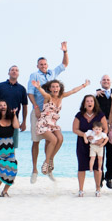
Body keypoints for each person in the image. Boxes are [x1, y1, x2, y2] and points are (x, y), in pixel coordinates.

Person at [27, 43, 70, 184]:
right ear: (37, 66)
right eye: (41, 64)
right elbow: (30, 92)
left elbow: (65, 64)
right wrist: (36, 107)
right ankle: (34, 170)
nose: (43, 66)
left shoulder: (52, 73)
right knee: (35, 141)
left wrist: (65, 51)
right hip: (38, 112)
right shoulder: (34, 75)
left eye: (45, 64)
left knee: (51, 140)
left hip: (50, 116)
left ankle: (48, 167)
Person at [33, 77, 90, 180]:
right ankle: (46, 162)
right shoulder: (48, 97)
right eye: (53, 87)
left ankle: (51, 158)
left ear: (60, 88)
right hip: (44, 123)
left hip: (53, 123)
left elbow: (73, 91)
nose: (55, 88)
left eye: (57, 86)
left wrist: (83, 85)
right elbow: (43, 93)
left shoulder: (61, 96)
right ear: (50, 89)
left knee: (60, 138)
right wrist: (38, 87)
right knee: (53, 140)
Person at [0, 65, 29, 161]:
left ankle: (10, 168)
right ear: (9, 73)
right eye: (12, 70)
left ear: (18, 73)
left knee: (12, 146)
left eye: (16, 70)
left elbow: (24, 106)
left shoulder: (22, 89)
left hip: (14, 120)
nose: (14, 72)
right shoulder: (0, 86)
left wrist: (24, 122)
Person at [72, 95, 108, 197]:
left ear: (94, 103)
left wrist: (102, 139)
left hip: (98, 145)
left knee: (97, 167)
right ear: (84, 104)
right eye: (87, 101)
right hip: (82, 144)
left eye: (91, 101)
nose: (89, 103)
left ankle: (97, 189)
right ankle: (81, 190)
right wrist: (85, 136)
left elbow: (105, 129)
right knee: (82, 166)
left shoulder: (100, 115)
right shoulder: (79, 115)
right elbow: (75, 129)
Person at [95, 74, 112, 189]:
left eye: (108, 80)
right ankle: (100, 176)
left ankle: (109, 177)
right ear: (100, 82)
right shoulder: (97, 94)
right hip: (100, 128)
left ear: (111, 82)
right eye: (104, 80)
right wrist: (95, 93)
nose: (106, 81)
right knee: (100, 153)